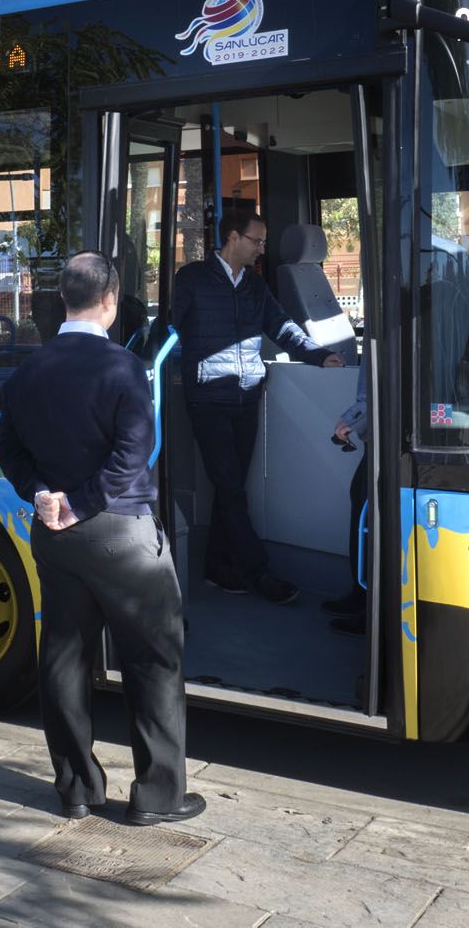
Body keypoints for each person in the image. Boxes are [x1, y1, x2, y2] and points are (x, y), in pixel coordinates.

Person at [0, 250, 204, 827]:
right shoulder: (122, 368)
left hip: (54, 537)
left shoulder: (26, 371)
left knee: (63, 658)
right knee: (155, 658)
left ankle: (76, 789)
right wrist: (83, 503)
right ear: (110, 300)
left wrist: (44, 496)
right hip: (122, 535)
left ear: (64, 299)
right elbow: (134, 452)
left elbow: (7, 452)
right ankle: (157, 796)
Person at [171, 209, 344, 604]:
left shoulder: (254, 285)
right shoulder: (193, 280)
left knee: (229, 487)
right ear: (232, 238)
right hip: (208, 399)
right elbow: (172, 327)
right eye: (257, 241)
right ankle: (258, 572)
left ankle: (216, 567)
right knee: (230, 487)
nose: (262, 249)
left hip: (247, 396)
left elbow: (282, 326)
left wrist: (319, 356)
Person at [322, 361, 370, 635]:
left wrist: (353, 418)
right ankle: (362, 593)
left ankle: (367, 600)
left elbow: (381, 376)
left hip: (387, 433)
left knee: (365, 507)